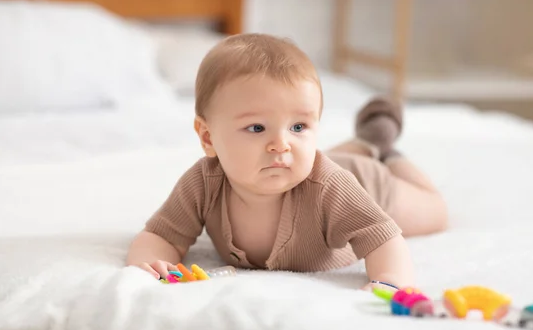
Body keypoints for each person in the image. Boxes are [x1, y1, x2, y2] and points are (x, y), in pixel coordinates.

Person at [125, 33, 447, 291]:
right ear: (208, 138)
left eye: (298, 127)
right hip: (327, 165)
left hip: (367, 183)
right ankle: (363, 142)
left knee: (436, 213)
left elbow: (384, 237)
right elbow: (163, 235)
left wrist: (390, 280)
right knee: (318, 159)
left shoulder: (331, 187)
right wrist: (151, 264)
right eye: (256, 128)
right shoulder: (203, 183)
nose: (280, 144)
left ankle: (385, 149)